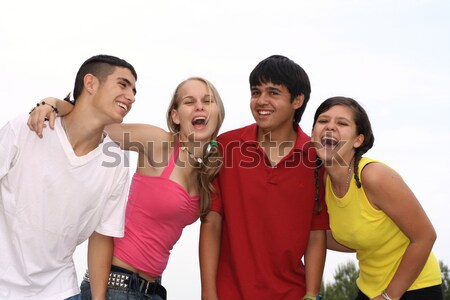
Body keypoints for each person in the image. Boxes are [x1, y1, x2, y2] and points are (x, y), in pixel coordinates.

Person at [29, 77, 225, 300]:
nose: (200, 106)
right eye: (189, 101)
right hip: (115, 285)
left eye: (207, 101)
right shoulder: (160, 143)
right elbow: (93, 124)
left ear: (217, 112)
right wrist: (53, 103)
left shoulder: (207, 171)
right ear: (175, 116)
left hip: (152, 291)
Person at [0, 54, 137, 300]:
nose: (131, 96)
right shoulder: (27, 128)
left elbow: (102, 234)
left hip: (59, 289)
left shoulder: (116, 164)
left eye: (135, 91)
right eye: (123, 84)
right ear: (91, 83)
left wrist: (98, 298)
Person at [199, 55, 329, 300]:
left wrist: (312, 294)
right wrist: (208, 294)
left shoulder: (317, 159)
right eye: (255, 92)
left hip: (293, 293)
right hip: (229, 293)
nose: (261, 101)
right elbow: (211, 222)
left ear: (297, 100)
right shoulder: (226, 146)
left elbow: (316, 233)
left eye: (273, 93)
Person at [311, 96, 443, 300]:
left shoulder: (374, 176)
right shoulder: (321, 182)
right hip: (368, 289)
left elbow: (425, 237)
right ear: (313, 134)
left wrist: (389, 296)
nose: (330, 127)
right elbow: (351, 238)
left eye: (342, 123)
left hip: (414, 287)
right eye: (323, 121)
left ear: (358, 139)